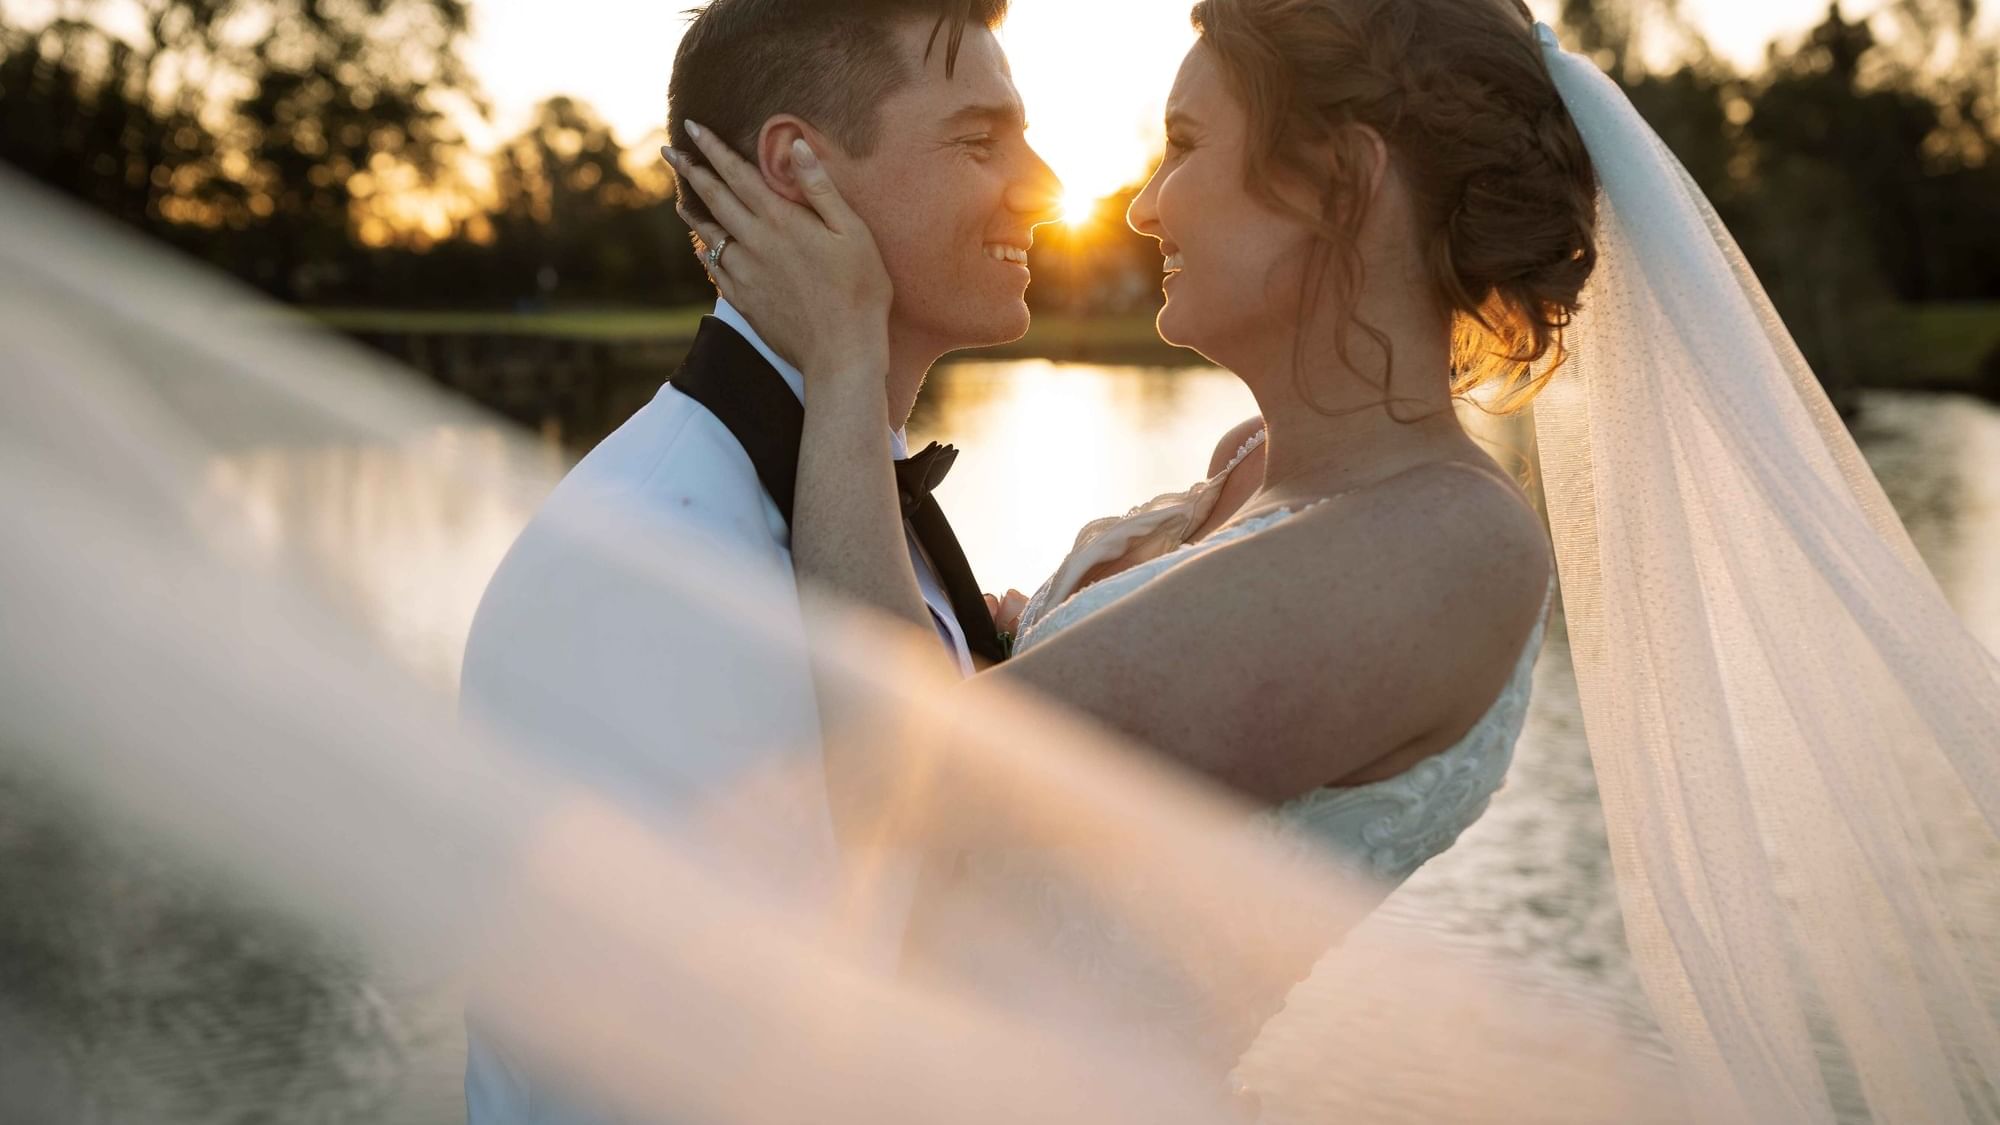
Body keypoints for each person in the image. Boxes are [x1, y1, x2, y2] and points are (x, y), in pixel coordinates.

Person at [673, 0, 2000, 1117]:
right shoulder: (1259, 466)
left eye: (1185, 145)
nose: (1141, 205)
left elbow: (916, 793)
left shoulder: (1447, 546)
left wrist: (845, 360)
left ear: (1343, 182)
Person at [459, 0, 1059, 1118]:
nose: (1042, 184)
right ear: (799, 171)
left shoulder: (848, 512)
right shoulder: (651, 566)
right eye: (981, 142)